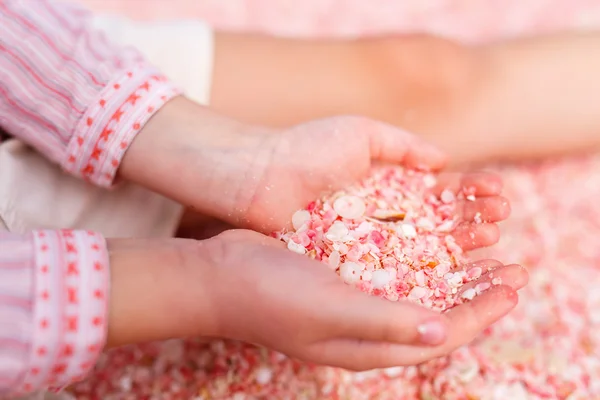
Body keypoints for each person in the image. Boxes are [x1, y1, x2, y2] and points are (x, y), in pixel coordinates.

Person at [0, 1, 527, 397]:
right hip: (37, 302)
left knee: (422, 72)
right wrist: (208, 285)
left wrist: (246, 159)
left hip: (52, 81)